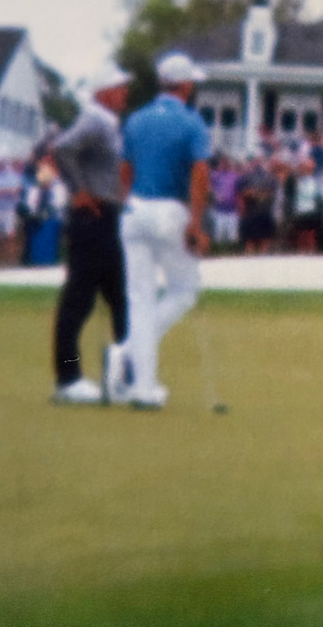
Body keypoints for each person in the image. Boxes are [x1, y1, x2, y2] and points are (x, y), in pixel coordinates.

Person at [119, 52, 211, 410]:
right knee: (184, 290)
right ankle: (131, 358)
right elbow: (200, 175)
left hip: (135, 210)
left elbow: (124, 171)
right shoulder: (191, 122)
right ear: (185, 85)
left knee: (140, 300)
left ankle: (139, 379)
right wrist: (196, 224)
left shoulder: (136, 120)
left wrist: (128, 203)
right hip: (170, 211)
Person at [49, 64, 131, 405]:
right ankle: (68, 378)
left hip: (110, 215)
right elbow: (61, 148)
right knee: (79, 301)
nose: (125, 92)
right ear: (103, 92)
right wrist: (77, 188)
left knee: (120, 300)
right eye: (119, 87)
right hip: (92, 216)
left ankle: (125, 377)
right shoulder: (94, 120)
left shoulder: (109, 124)